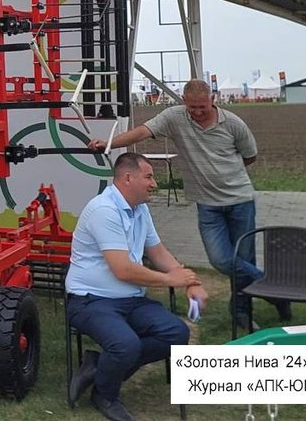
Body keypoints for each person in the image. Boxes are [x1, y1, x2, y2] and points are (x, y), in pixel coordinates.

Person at [87, 78, 281, 331]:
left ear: (213, 100)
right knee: (222, 260)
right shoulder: (174, 117)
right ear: (184, 103)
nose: (198, 112)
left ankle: (241, 311)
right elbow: (142, 131)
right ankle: (277, 289)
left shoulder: (233, 124)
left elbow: (250, 155)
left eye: (203, 107)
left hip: (240, 200)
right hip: (207, 204)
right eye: (192, 107)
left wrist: (225, 174)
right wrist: (109, 144)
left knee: (243, 259)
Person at [66, 152, 207, 421]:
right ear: (128, 178)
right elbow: (123, 269)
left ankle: (98, 367)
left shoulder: (140, 209)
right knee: (125, 345)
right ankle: (105, 395)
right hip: (90, 300)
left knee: (176, 333)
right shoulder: (103, 210)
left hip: (131, 299)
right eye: (149, 177)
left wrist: (191, 282)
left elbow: (158, 252)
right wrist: (169, 280)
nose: (154, 184)